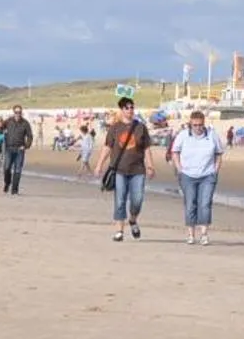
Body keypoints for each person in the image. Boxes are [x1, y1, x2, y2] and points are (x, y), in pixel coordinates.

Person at [94, 96, 154, 241]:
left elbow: (146, 148)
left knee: (137, 200)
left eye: (132, 107)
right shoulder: (115, 128)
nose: (130, 110)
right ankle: (119, 230)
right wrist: (99, 165)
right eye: (127, 108)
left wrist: (150, 165)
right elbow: (107, 147)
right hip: (119, 170)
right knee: (120, 200)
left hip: (138, 170)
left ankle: (133, 219)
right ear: (121, 110)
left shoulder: (140, 127)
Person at [167, 108, 225, 245]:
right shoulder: (183, 135)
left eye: (200, 125)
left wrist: (215, 171)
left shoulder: (212, 135)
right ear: (190, 124)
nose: (198, 128)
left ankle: (204, 233)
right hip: (187, 175)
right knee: (190, 204)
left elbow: (218, 154)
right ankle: (191, 234)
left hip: (207, 175)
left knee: (205, 204)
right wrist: (179, 168)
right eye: (195, 125)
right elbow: (175, 152)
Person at [0, 105, 34, 195]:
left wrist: (26, 146)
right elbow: (0, 128)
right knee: (6, 168)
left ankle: (14, 190)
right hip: (9, 148)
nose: (18, 114)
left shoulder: (25, 123)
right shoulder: (8, 121)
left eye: (19, 112)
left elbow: (30, 136)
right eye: (16, 112)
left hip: (19, 149)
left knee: (17, 170)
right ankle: (7, 183)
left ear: (21, 113)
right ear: (13, 112)